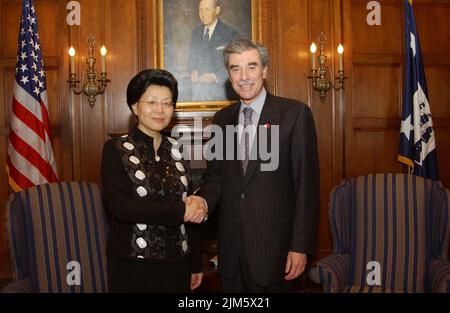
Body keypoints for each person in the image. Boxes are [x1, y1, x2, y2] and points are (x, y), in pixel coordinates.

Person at [188, 39, 320, 292]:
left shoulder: (294, 114)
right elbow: (216, 177)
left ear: (265, 71)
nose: (244, 76)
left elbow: (306, 187)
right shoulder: (222, 119)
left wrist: (300, 247)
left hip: (277, 254)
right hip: (231, 254)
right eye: (236, 69)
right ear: (228, 75)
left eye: (251, 67)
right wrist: (202, 201)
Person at [101, 69, 207, 292]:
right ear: (134, 107)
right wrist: (179, 211)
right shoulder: (116, 149)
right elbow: (121, 207)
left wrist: (195, 263)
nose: (160, 110)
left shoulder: (178, 150)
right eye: (152, 102)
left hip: (178, 264)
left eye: (167, 103)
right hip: (132, 266)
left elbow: (192, 209)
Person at [188, 0, 241, 101]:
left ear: (217, 10)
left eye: (207, 9)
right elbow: (191, 60)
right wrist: (193, 70)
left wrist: (215, 77)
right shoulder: (195, 33)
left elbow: (237, 65)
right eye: (200, 10)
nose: (203, 14)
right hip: (198, 94)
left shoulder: (231, 33)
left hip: (222, 94)